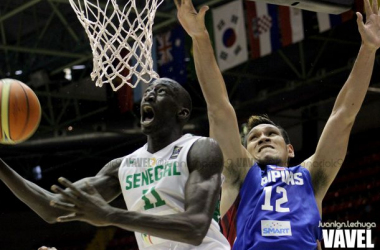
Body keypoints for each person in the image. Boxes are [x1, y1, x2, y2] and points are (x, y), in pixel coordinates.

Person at [175, 0, 380, 249]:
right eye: (254, 138)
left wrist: (368, 49)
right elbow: (218, 108)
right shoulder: (239, 174)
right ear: (245, 152)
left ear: (290, 149)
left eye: (271, 133)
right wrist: (200, 38)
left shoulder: (311, 177)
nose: (263, 137)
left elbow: (343, 117)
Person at [0, 78, 230, 249]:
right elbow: (53, 209)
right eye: (148, 91)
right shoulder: (123, 166)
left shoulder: (200, 149)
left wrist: (110, 215)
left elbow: (195, 227)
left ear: (182, 112)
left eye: (161, 92)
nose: (149, 96)